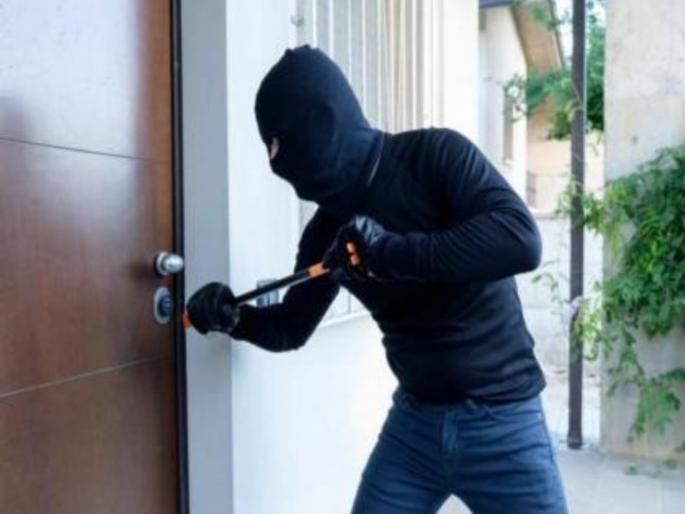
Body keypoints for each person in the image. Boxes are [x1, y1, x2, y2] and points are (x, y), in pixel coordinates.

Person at [186, 46, 568, 514]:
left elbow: (520, 240)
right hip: (416, 425)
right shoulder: (326, 231)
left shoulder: (435, 155)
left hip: (504, 419)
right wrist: (234, 319)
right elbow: (291, 327)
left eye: (279, 143)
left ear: (322, 121)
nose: (275, 160)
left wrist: (387, 253)